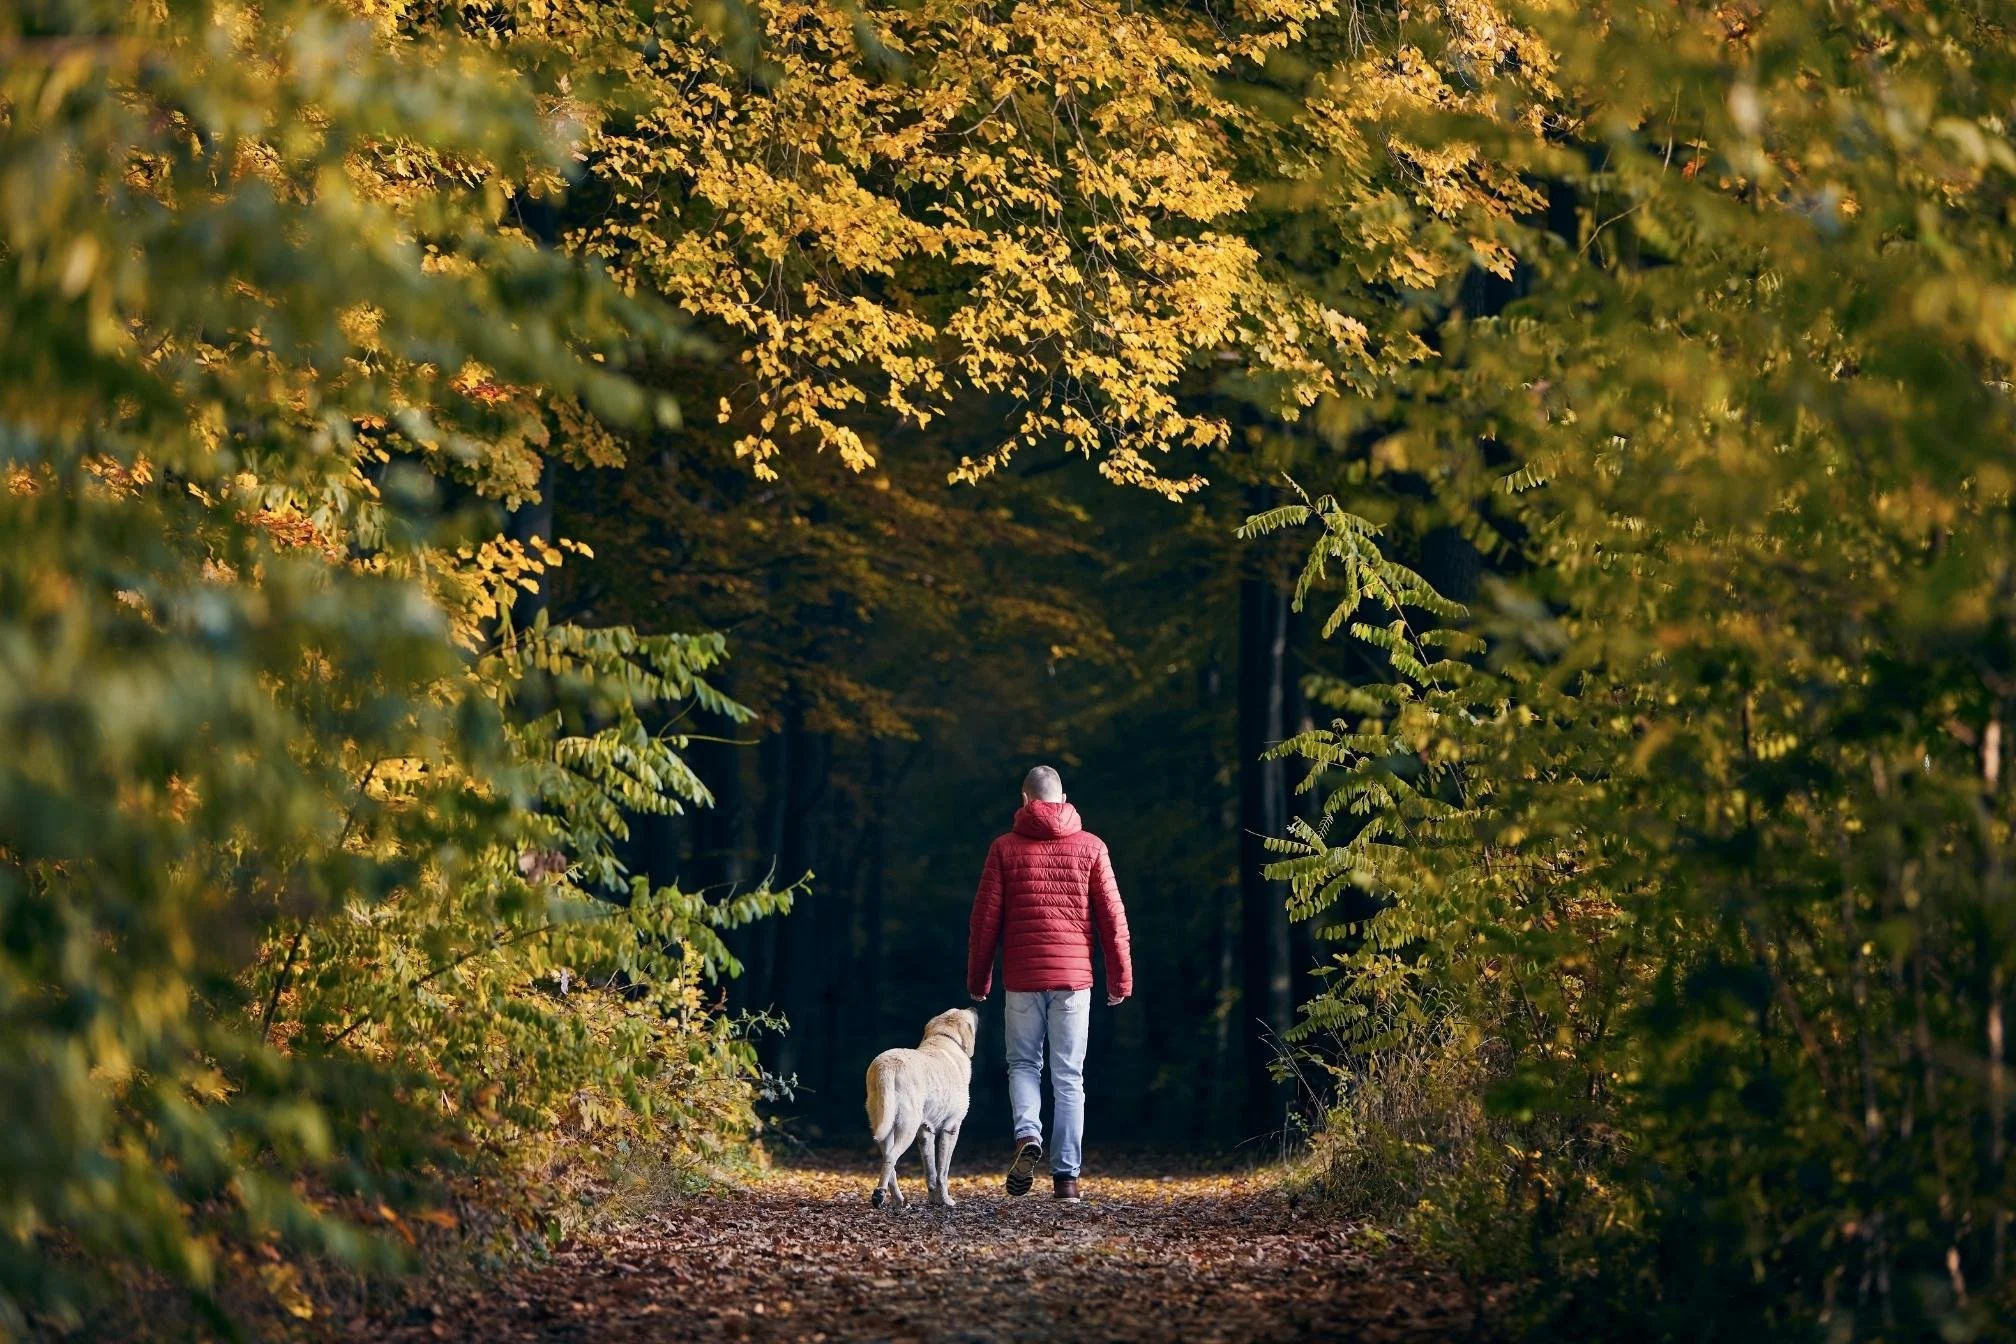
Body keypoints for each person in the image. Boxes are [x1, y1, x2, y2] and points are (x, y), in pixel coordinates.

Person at [965, 765, 1132, 1202]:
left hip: (1021, 979)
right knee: (1069, 1078)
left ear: (1025, 801)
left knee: (1023, 1066)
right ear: (1063, 799)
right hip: (1075, 982)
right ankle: (1067, 1181)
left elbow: (985, 922)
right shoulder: (1092, 848)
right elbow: (1113, 921)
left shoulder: (1003, 849)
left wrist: (978, 980)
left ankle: (1026, 1136)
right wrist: (1120, 977)